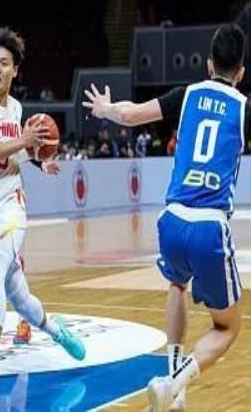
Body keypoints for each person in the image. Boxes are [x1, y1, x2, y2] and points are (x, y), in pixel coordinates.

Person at [83, 23, 248, 412]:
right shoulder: (244, 108)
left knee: (177, 284)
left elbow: (131, 115)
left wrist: (106, 109)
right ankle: (174, 381)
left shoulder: (187, 94)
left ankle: (175, 394)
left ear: (209, 64)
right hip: (209, 223)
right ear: (241, 72)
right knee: (228, 327)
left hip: (172, 218)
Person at [0, 26, 85, 398]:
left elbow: (15, 150)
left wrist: (36, 159)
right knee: (21, 300)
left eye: (4, 63)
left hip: (12, 206)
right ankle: (57, 330)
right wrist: (26, 144)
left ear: (15, 70)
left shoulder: (16, 108)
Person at [0, 64, 59, 345]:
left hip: (8, 201)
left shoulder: (6, 113)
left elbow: (19, 147)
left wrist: (40, 162)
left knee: (0, 263)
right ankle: (49, 326)